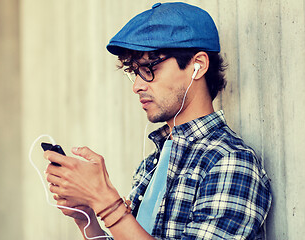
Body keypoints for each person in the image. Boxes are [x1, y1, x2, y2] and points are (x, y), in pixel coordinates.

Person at [44, 2, 272, 239]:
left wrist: (105, 200)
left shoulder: (229, 162)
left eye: (148, 68)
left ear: (198, 65)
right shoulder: (151, 164)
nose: (137, 86)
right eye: (134, 72)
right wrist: (87, 217)